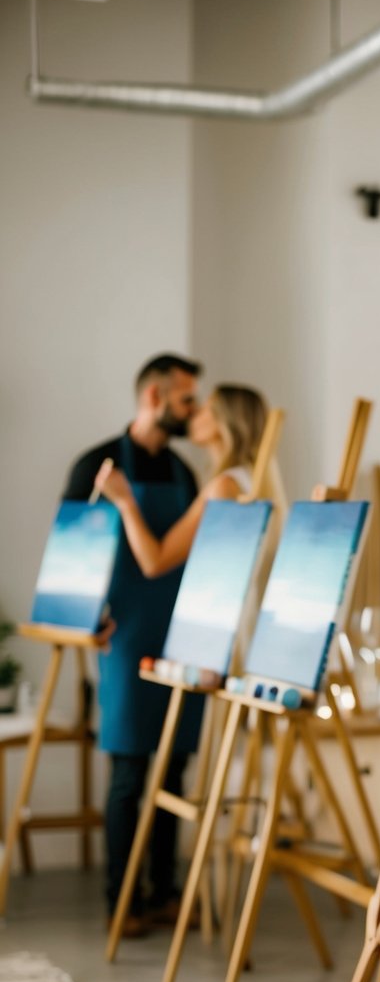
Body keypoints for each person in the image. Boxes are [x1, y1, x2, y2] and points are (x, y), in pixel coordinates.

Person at [64, 353, 203, 937]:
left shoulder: (183, 472)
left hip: (181, 633)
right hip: (122, 636)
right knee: (128, 771)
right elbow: (70, 555)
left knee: (174, 767)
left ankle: (165, 893)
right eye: (186, 399)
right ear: (154, 397)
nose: (192, 410)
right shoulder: (94, 465)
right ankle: (121, 902)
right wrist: (82, 619)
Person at [93, 384, 270, 576]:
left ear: (224, 423)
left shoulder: (223, 485)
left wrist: (124, 501)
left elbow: (154, 563)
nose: (193, 414)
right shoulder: (248, 479)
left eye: (203, 410)